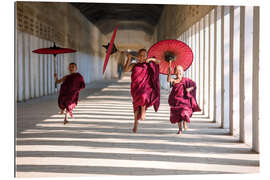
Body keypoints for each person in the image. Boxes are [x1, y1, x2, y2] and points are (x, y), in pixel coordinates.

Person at [124, 48, 160, 133]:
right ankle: (135, 123)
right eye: (140, 55)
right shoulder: (134, 65)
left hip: (145, 87)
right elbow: (126, 70)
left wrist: (151, 59)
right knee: (136, 106)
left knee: (144, 96)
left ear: (147, 57)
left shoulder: (148, 65)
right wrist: (128, 59)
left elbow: (158, 62)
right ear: (137, 56)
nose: (142, 57)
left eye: (144, 56)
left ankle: (143, 110)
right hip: (135, 88)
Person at [167, 62, 200, 134]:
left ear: (183, 72)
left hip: (184, 99)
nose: (178, 72)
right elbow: (169, 80)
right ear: (174, 72)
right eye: (176, 70)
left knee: (183, 111)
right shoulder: (174, 80)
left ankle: (185, 123)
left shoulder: (186, 80)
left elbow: (194, 85)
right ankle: (180, 129)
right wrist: (169, 72)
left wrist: (189, 89)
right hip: (176, 100)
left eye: (180, 70)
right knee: (178, 115)